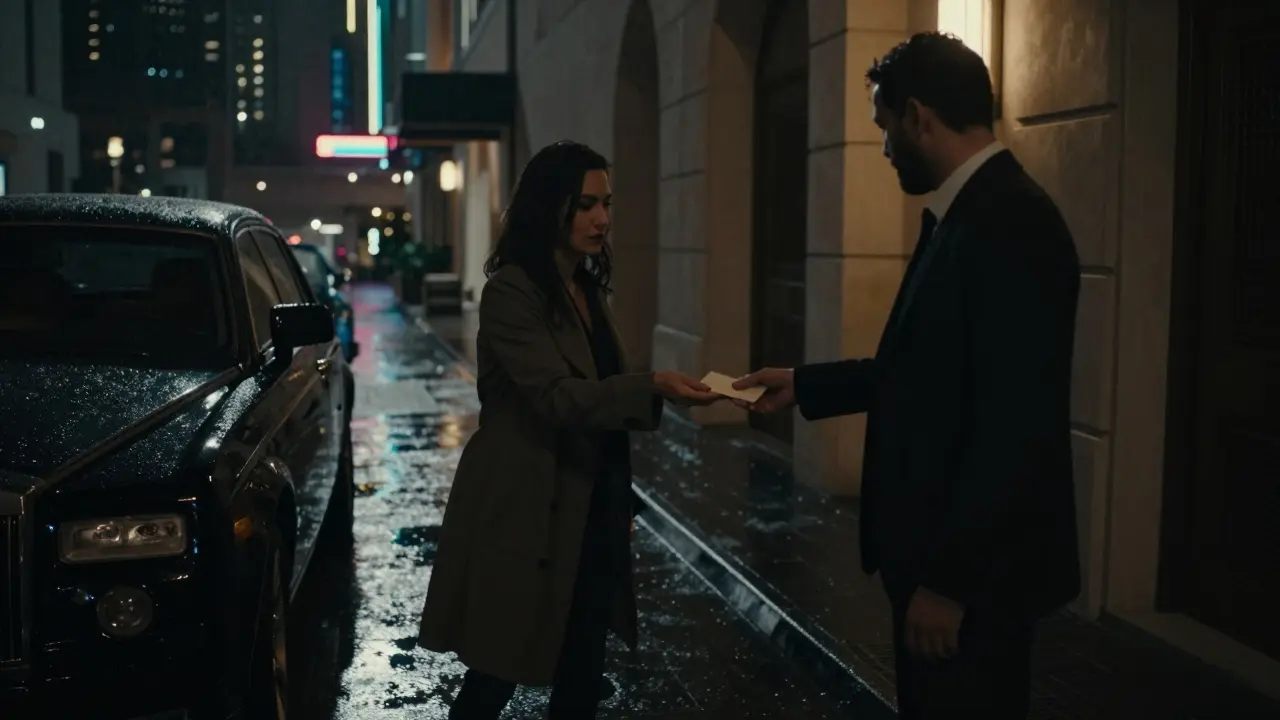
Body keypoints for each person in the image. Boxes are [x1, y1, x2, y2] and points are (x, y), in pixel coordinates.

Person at [732, 33, 1081, 717]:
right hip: (941, 566)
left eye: (884, 127)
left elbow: (1014, 424)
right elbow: (921, 373)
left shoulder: (1011, 223)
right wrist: (805, 384)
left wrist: (950, 583)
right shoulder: (968, 213)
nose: (885, 146)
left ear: (919, 116)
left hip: (972, 585)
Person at [417, 140, 721, 719]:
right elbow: (557, 397)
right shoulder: (512, 291)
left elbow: (599, 395)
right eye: (585, 205)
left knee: (582, 667)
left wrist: (616, 498)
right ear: (547, 207)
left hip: (587, 499)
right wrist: (652, 385)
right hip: (524, 505)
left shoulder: (584, 287)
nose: (601, 219)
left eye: (606, 203)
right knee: (498, 669)